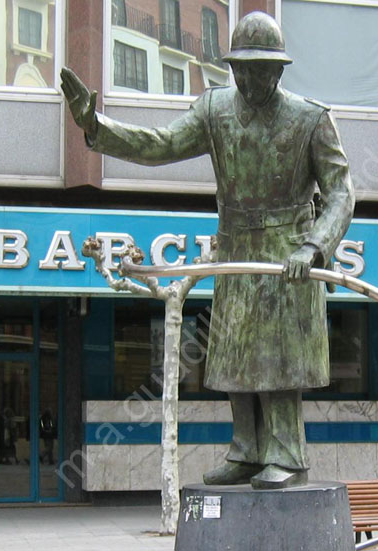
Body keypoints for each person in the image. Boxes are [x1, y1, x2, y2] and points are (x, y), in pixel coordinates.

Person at [61, 11, 354, 489]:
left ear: (278, 70)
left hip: (287, 252)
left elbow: (342, 194)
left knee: (280, 359)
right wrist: (97, 126)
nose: (247, 78)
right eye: (240, 67)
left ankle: (286, 454)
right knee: (237, 355)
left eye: (258, 69)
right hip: (235, 245)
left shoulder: (311, 119)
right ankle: (245, 451)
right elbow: (162, 144)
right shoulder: (214, 110)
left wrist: (314, 247)